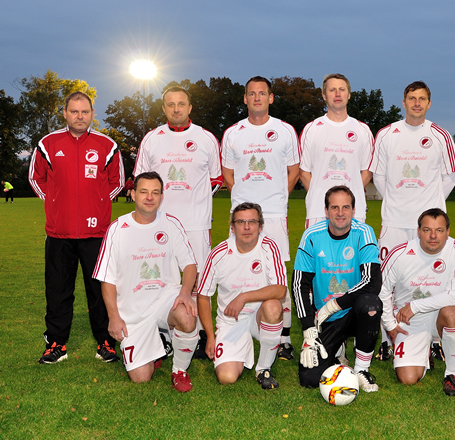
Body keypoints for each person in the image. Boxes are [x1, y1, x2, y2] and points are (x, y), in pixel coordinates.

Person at [29, 91, 124, 364]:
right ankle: (56, 343)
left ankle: (105, 342)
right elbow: (36, 178)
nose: (79, 116)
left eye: (84, 112)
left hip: (97, 234)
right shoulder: (48, 144)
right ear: (65, 113)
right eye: (74, 111)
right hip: (59, 233)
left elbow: (117, 181)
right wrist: (56, 203)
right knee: (58, 290)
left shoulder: (107, 145)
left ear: (92, 113)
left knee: (100, 290)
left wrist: (97, 204)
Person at [368, 80, 455, 360]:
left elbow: (450, 177)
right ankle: (387, 337)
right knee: (387, 282)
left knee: (432, 279)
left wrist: (429, 207)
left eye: (422, 99)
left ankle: (433, 338)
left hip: (429, 227)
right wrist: (397, 200)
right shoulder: (387, 134)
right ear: (403, 102)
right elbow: (379, 176)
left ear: (429, 103)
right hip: (395, 221)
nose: (416, 103)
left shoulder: (441, 136)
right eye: (411, 98)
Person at [134, 85, 223, 357]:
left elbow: (216, 180)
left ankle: (197, 333)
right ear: (164, 108)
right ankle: (163, 335)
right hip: (160, 224)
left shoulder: (206, 138)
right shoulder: (152, 139)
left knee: (197, 282)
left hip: (196, 224)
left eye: (181, 104)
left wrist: (195, 203)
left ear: (190, 107)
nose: (176, 109)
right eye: (170, 105)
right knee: (161, 278)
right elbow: (140, 181)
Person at [94, 172, 199, 392]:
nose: (149, 197)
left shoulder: (171, 224)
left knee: (187, 316)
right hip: (133, 314)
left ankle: (179, 370)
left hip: (165, 300)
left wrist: (184, 293)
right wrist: (114, 317)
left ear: (162, 196)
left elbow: (190, 265)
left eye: (155, 192)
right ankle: (160, 343)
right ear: (133, 194)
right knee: (141, 378)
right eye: (143, 192)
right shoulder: (117, 229)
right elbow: (107, 279)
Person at [221, 76, 300, 361]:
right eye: (252, 94)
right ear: (245, 99)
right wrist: (242, 201)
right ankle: (234, 325)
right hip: (242, 217)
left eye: (262, 93)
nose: (257, 98)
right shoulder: (233, 133)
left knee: (278, 276)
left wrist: (279, 197)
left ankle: (284, 338)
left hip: (275, 215)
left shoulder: (285, 131)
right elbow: (227, 173)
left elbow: (294, 170)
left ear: (271, 98)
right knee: (238, 270)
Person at [293, 186, 382, 391]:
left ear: (353, 210)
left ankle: (361, 370)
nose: (340, 213)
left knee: (371, 304)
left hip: (354, 312)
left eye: (345, 207)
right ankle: (337, 348)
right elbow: (299, 284)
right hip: (324, 319)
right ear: (326, 211)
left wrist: (334, 305)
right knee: (310, 378)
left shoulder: (364, 233)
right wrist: (308, 328)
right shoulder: (312, 236)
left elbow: (372, 281)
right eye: (334, 207)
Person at [379, 208, 455, 396]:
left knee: (454, 313)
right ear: (418, 231)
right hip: (409, 321)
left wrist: (414, 306)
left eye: (439, 230)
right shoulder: (400, 253)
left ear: (448, 232)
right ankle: (424, 350)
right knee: (407, 378)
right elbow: (382, 290)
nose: (433, 236)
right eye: (427, 230)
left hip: (439, 316)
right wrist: (390, 325)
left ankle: (451, 373)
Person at [197, 202, 286, 390]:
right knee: (226, 377)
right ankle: (242, 347)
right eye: (240, 222)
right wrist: (210, 336)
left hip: (259, 316)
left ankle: (263, 368)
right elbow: (203, 296)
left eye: (252, 222)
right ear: (232, 227)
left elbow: (280, 289)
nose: (247, 227)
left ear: (260, 226)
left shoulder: (269, 247)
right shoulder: (219, 254)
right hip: (231, 321)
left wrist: (244, 296)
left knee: (273, 306)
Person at [299, 74, 374, 227]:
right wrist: (322, 197)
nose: (338, 94)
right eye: (332, 90)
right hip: (318, 211)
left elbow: (367, 172)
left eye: (342, 89)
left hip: (353, 212)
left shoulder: (363, 130)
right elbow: (304, 172)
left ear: (349, 94)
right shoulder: (311, 129)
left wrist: (347, 198)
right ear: (324, 95)